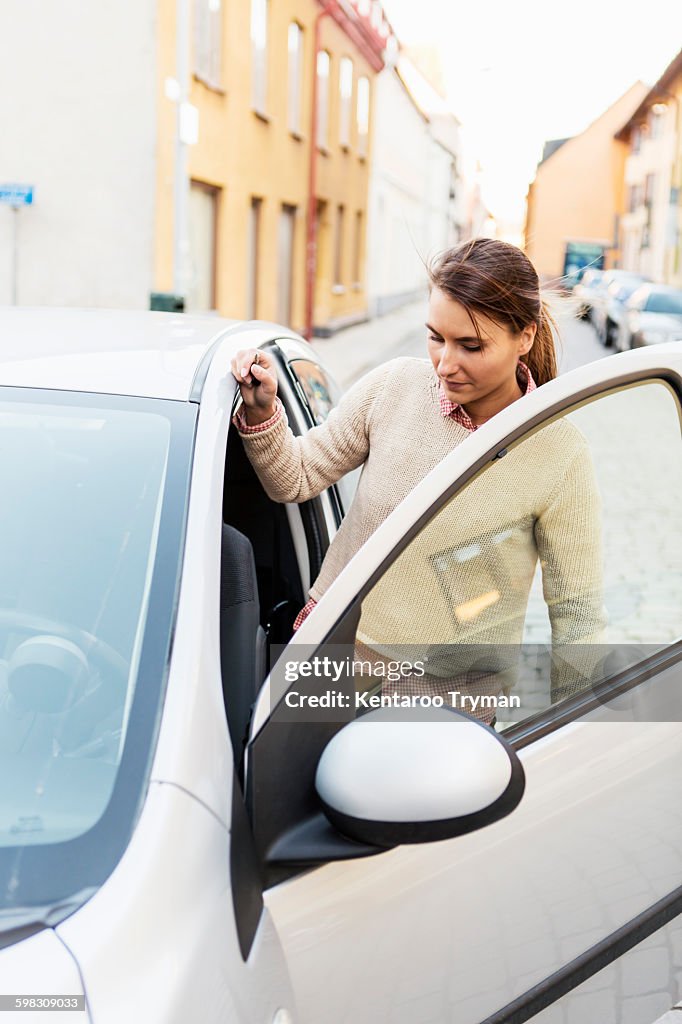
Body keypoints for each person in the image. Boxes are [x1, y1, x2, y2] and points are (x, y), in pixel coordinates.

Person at [230, 238, 605, 723]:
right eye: (435, 338)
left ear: (525, 338)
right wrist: (262, 412)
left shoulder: (559, 451)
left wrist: (573, 735)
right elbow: (295, 478)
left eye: (471, 346)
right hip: (332, 666)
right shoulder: (393, 388)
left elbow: (576, 618)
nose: (445, 364)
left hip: (448, 710)